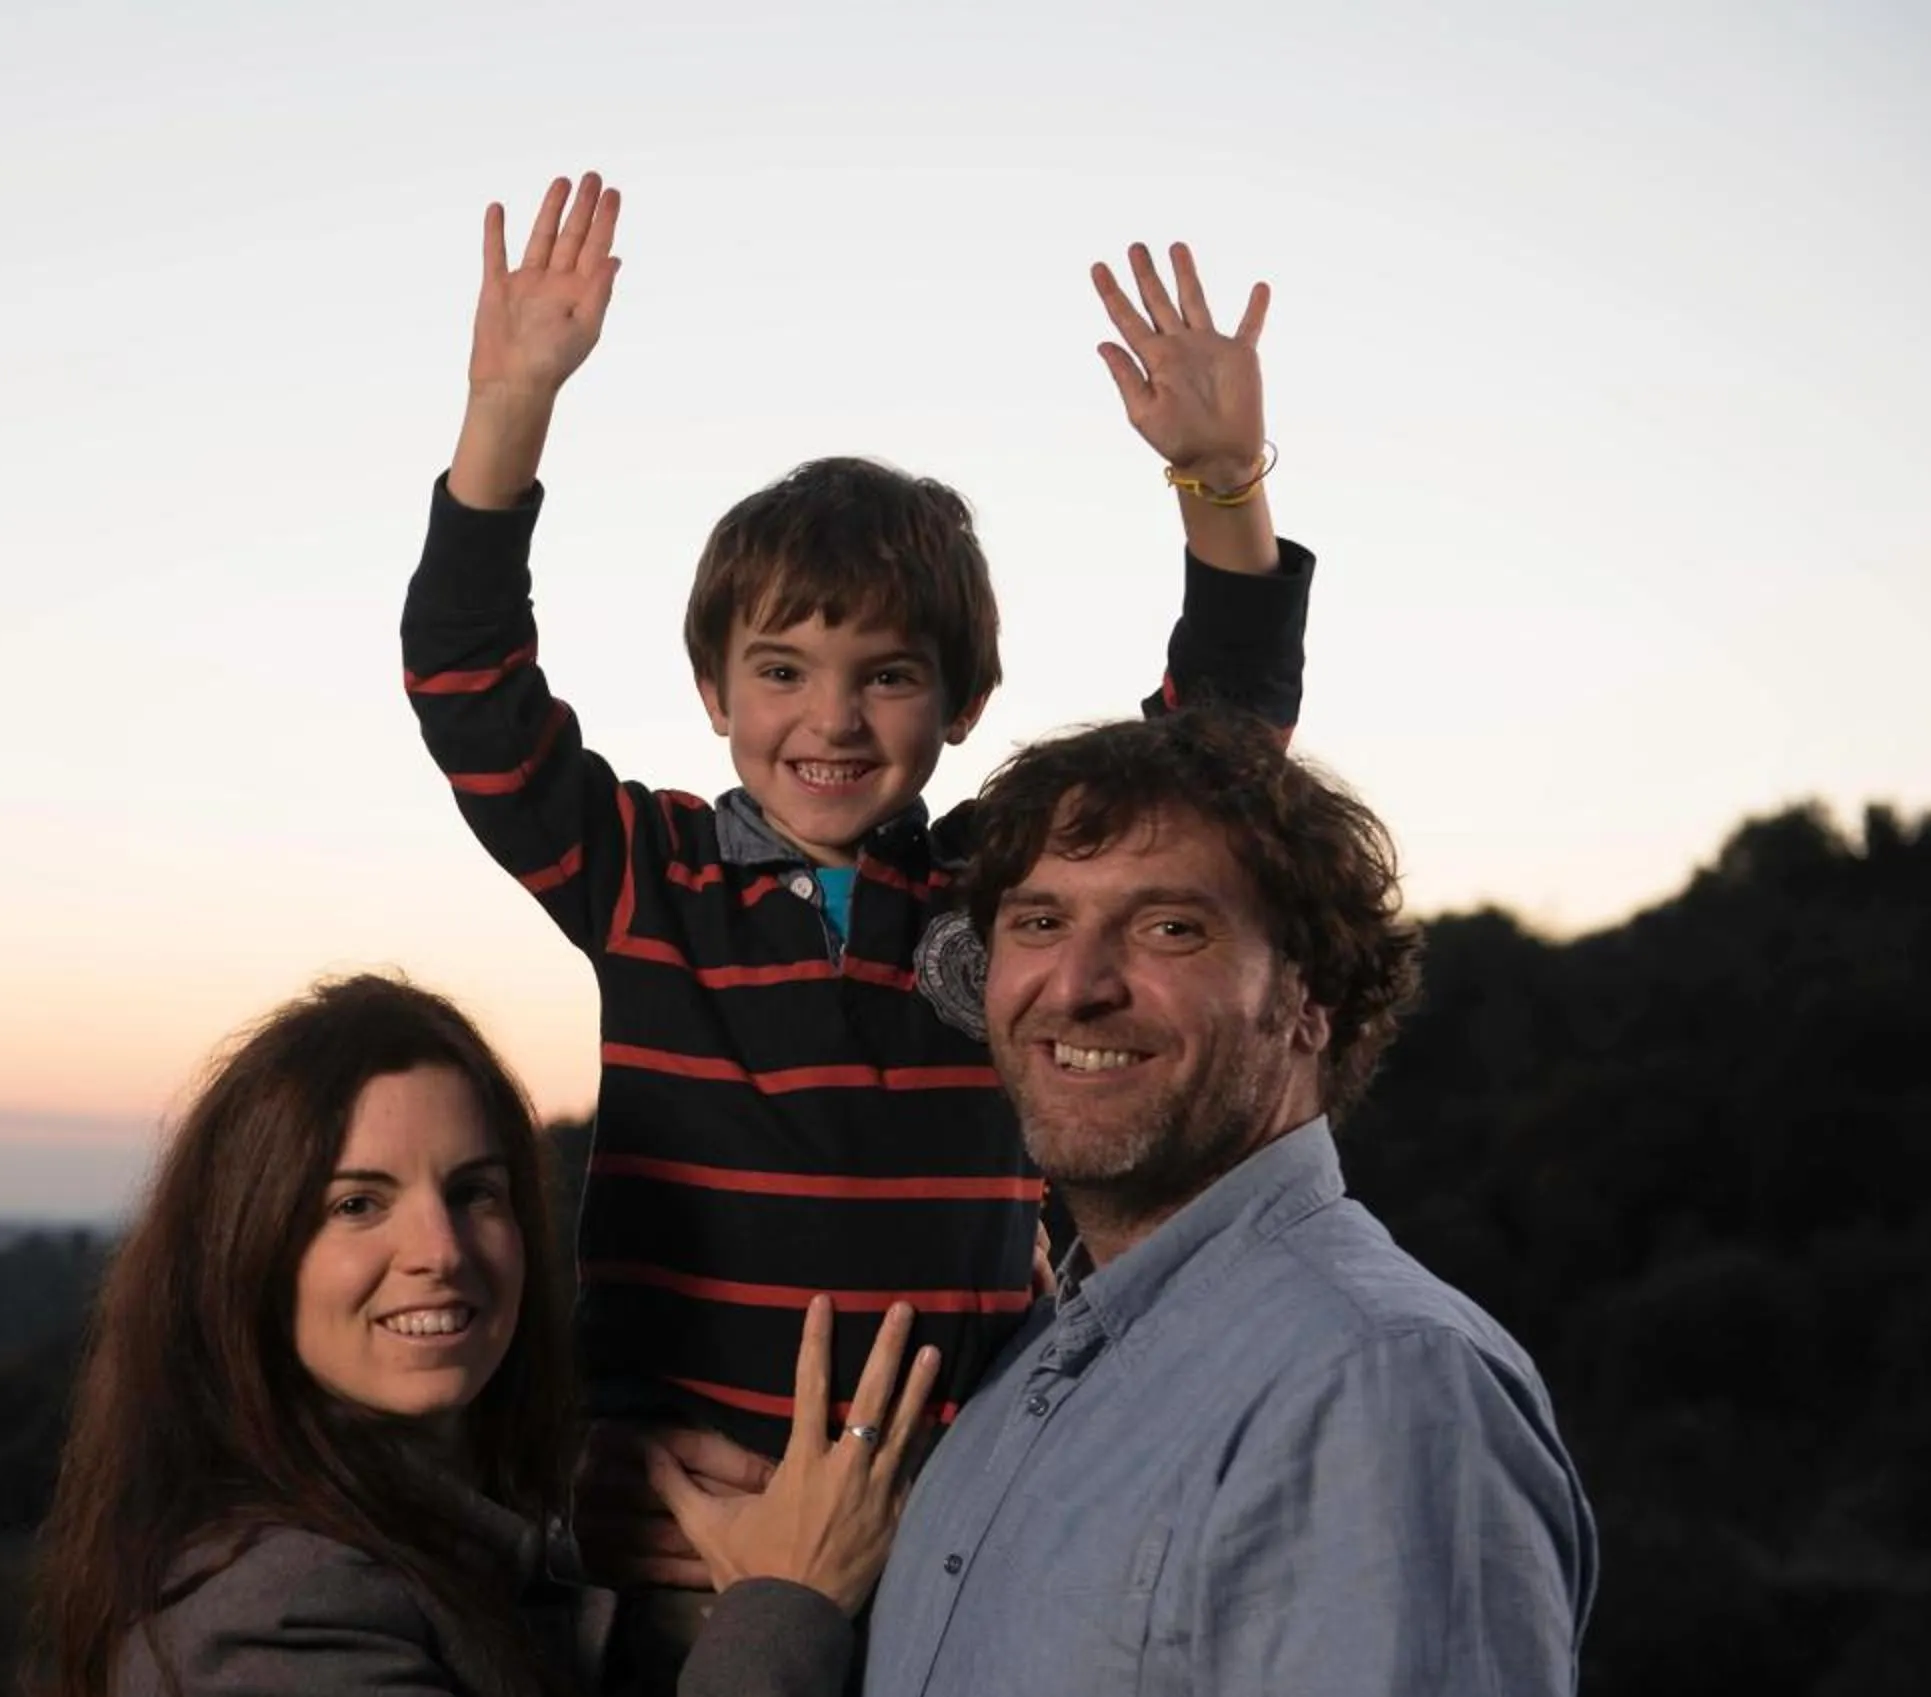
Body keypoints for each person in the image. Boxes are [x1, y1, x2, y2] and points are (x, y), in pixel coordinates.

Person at [400, 171, 1317, 1504]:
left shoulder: (1008, 890)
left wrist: (1220, 480)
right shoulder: (643, 874)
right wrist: (511, 404)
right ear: (713, 692)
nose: (828, 718)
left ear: (963, 703)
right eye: (779, 671)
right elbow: (467, 675)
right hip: (675, 1526)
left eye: (886, 675)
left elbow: (1218, 750)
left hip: (960, 1522)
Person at [802, 710, 1598, 1697]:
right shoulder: (1027, 1371)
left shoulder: (1370, 1387)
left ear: (1310, 1001)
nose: (1076, 985)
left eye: (1170, 927)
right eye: (1039, 921)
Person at [27, 973, 945, 1697]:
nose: (440, 1250)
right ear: (251, 1252)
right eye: (358, 1202)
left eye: (475, 1191)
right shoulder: (263, 1621)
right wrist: (792, 1603)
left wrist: (563, 1533)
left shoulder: (445, 1541)